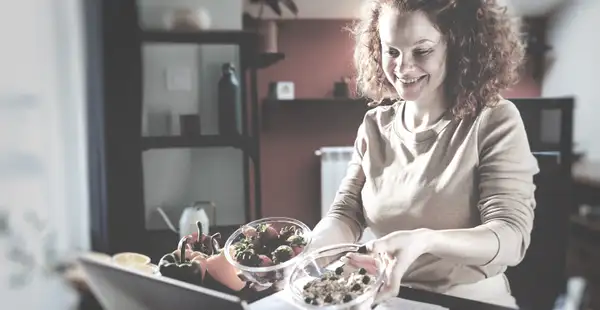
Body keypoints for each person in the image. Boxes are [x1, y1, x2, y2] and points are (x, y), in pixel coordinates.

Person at [309, 0, 539, 307]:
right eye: (392, 51)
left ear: (458, 46)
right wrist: (310, 250)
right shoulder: (374, 126)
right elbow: (345, 214)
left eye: (422, 51)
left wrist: (424, 240)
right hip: (386, 295)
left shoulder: (494, 120)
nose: (402, 68)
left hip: (467, 298)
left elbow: (511, 237)